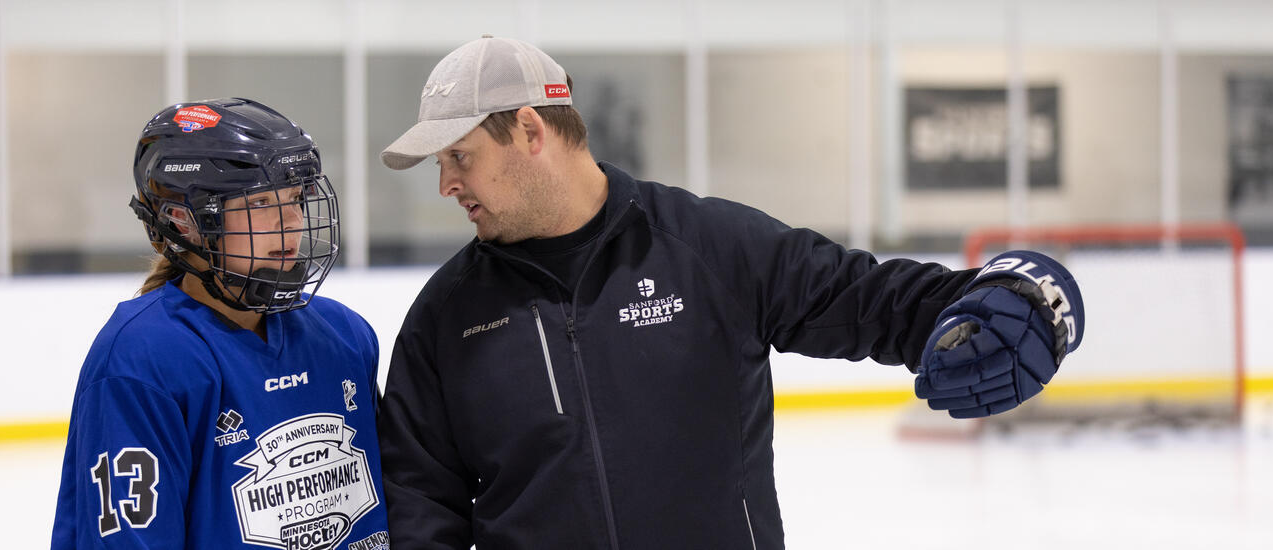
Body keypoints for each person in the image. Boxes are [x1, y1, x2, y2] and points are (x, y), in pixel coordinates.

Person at [376, 36, 1084, 550]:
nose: (447, 186)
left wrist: (1033, 295)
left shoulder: (708, 249)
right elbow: (421, 508)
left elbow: (879, 300)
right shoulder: (445, 319)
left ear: (530, 130)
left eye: (459, 158)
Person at [51, 98, 390, 550]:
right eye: (262, 203)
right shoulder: (143, 361)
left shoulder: (345, 336)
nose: (290, 224)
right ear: (185, 222)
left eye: (294, 199)